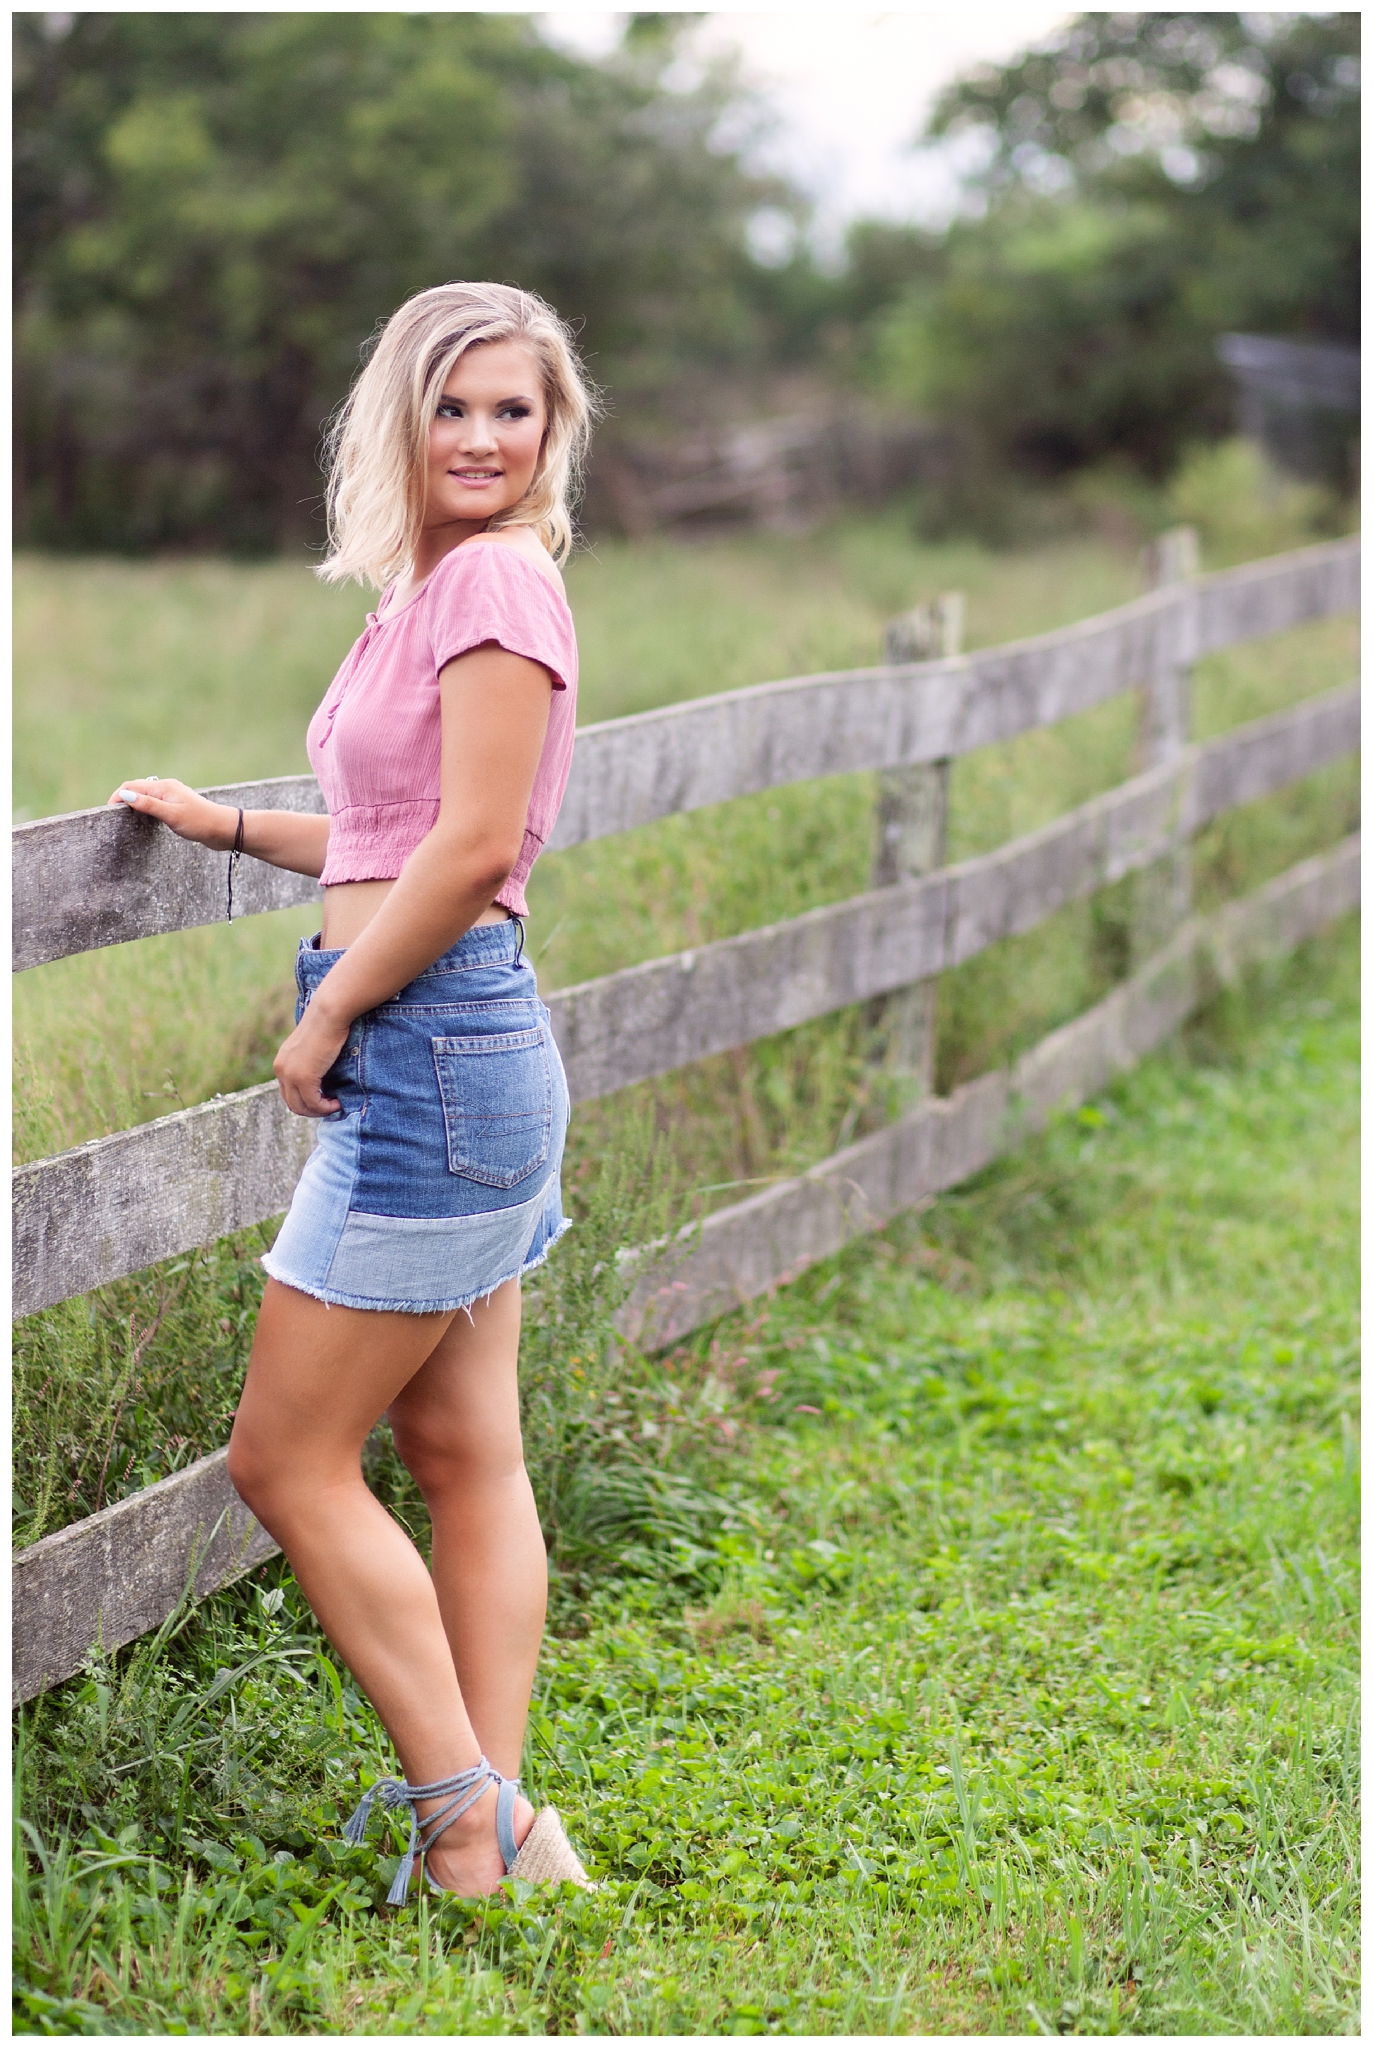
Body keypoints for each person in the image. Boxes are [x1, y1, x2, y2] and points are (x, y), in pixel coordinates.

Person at [107, 282, 597, 1900]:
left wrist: (331, 1021)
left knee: (284, 1460)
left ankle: (467, 1813)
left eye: (511, 409)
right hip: (456, 1042)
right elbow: (402, 828)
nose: (480, 437)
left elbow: (471, 854)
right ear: (400, 417)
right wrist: (235, 828)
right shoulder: (433, 588)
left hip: (425, 1045)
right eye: (452, 406)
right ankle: (497, 1831)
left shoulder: (502, 589)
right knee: (465, 1453)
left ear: (553, 426)